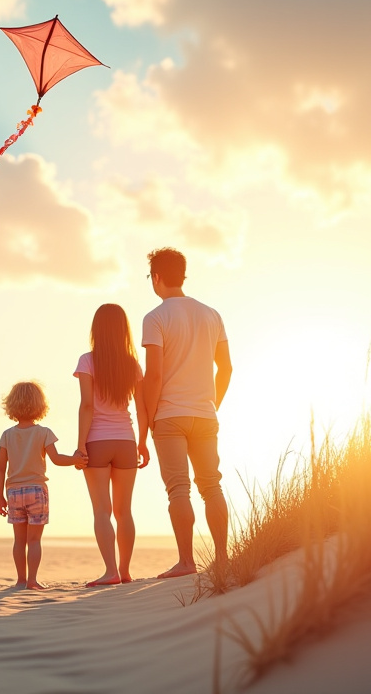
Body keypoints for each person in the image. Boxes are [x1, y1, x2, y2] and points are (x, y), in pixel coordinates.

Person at [141, 247, 233, 578]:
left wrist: (149, 418)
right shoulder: (212, 314)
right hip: (205, 415)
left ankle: (186, 562)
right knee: (212, 486)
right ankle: (222, 558)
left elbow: (153, 375)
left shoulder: (155, 318)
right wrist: (212, 404)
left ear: (157, 277)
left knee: (178, 489)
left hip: (169, 415)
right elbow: (226, 368)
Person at [74, 304, 148, 586]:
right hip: (126, 440)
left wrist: (81, 445)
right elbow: (141, 410)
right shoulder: (132, 364)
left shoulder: (87, 361)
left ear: (97, 329)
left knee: (102, 511)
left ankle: (111, 572)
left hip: (98, 441)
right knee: (124, 511)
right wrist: (142, 443)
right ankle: (126, 571)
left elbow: (87, 406)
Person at [0, 381, 82, 589]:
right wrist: (76, 459)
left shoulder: (7, 435)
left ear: (12, 405)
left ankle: (20, 580)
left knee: (19, 541)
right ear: (39, 405)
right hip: (36, 491)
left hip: (14, 491)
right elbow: (57, 459)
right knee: (34, 541)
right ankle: (32, 581)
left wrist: (0, 496)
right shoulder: (43, 433)